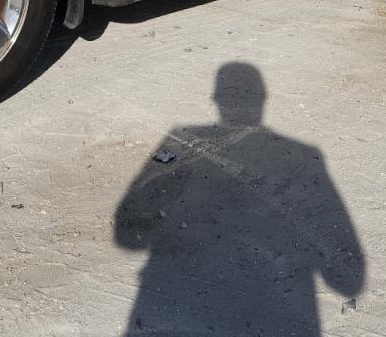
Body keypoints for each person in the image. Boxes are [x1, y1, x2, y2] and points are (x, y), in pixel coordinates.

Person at [114, 62, 364, 335]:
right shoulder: (305, 155)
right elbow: (349, 282)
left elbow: (126, 237)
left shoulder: (181, 136)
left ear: (217, 99)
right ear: (263, 99)